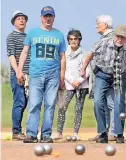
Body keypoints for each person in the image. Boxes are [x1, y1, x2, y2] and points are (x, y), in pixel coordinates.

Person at [81, 25, 126, 143]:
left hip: (120, 75)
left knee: (119, 102)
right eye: (118, 36)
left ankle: (119, 134)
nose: (119, 39)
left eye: (123, 38)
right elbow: (90, 54)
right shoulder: (102, 43)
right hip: (102, 73)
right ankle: (102, 133)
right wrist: (83, 68)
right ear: (114, 35)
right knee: (98, 101)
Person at [17, 6, 66, 143]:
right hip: (36, 74)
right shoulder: (32, 33)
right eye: (45, 16)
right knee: (34, 104)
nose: (48, 18)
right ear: (41, 17)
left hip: (53, 75)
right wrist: (20, 71)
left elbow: (62, 57)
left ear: (54, 18)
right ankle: (31, 134)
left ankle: (46, 134)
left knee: (50, 105)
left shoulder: (59, 35)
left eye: (50, 16)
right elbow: (25, 53)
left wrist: (62, 76)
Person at [54, 29, 89, 140]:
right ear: (68, 41)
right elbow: (63, 69)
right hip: (68, 85)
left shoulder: (84, 53)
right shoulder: (64, 53)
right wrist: (71, 81)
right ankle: (59, 133)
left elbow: (87, 69)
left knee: (79, 108)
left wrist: (79, 80)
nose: (73, 41)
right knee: (62, 107)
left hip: (82, 85)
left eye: (76, 39)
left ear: (79, 40)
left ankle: (75, 133)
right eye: (71, 39)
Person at [6, 10, 30, 140]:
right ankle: (16, 131)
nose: (21, 20)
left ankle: (26, 129)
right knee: (19, 102)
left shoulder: (28, 36)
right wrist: (18, 72)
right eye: (18, 18)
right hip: (18, 74)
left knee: (27, 103)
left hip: (30, 75)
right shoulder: (11, 36)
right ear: (14, 22)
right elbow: (11, 55)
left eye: (23, 18)